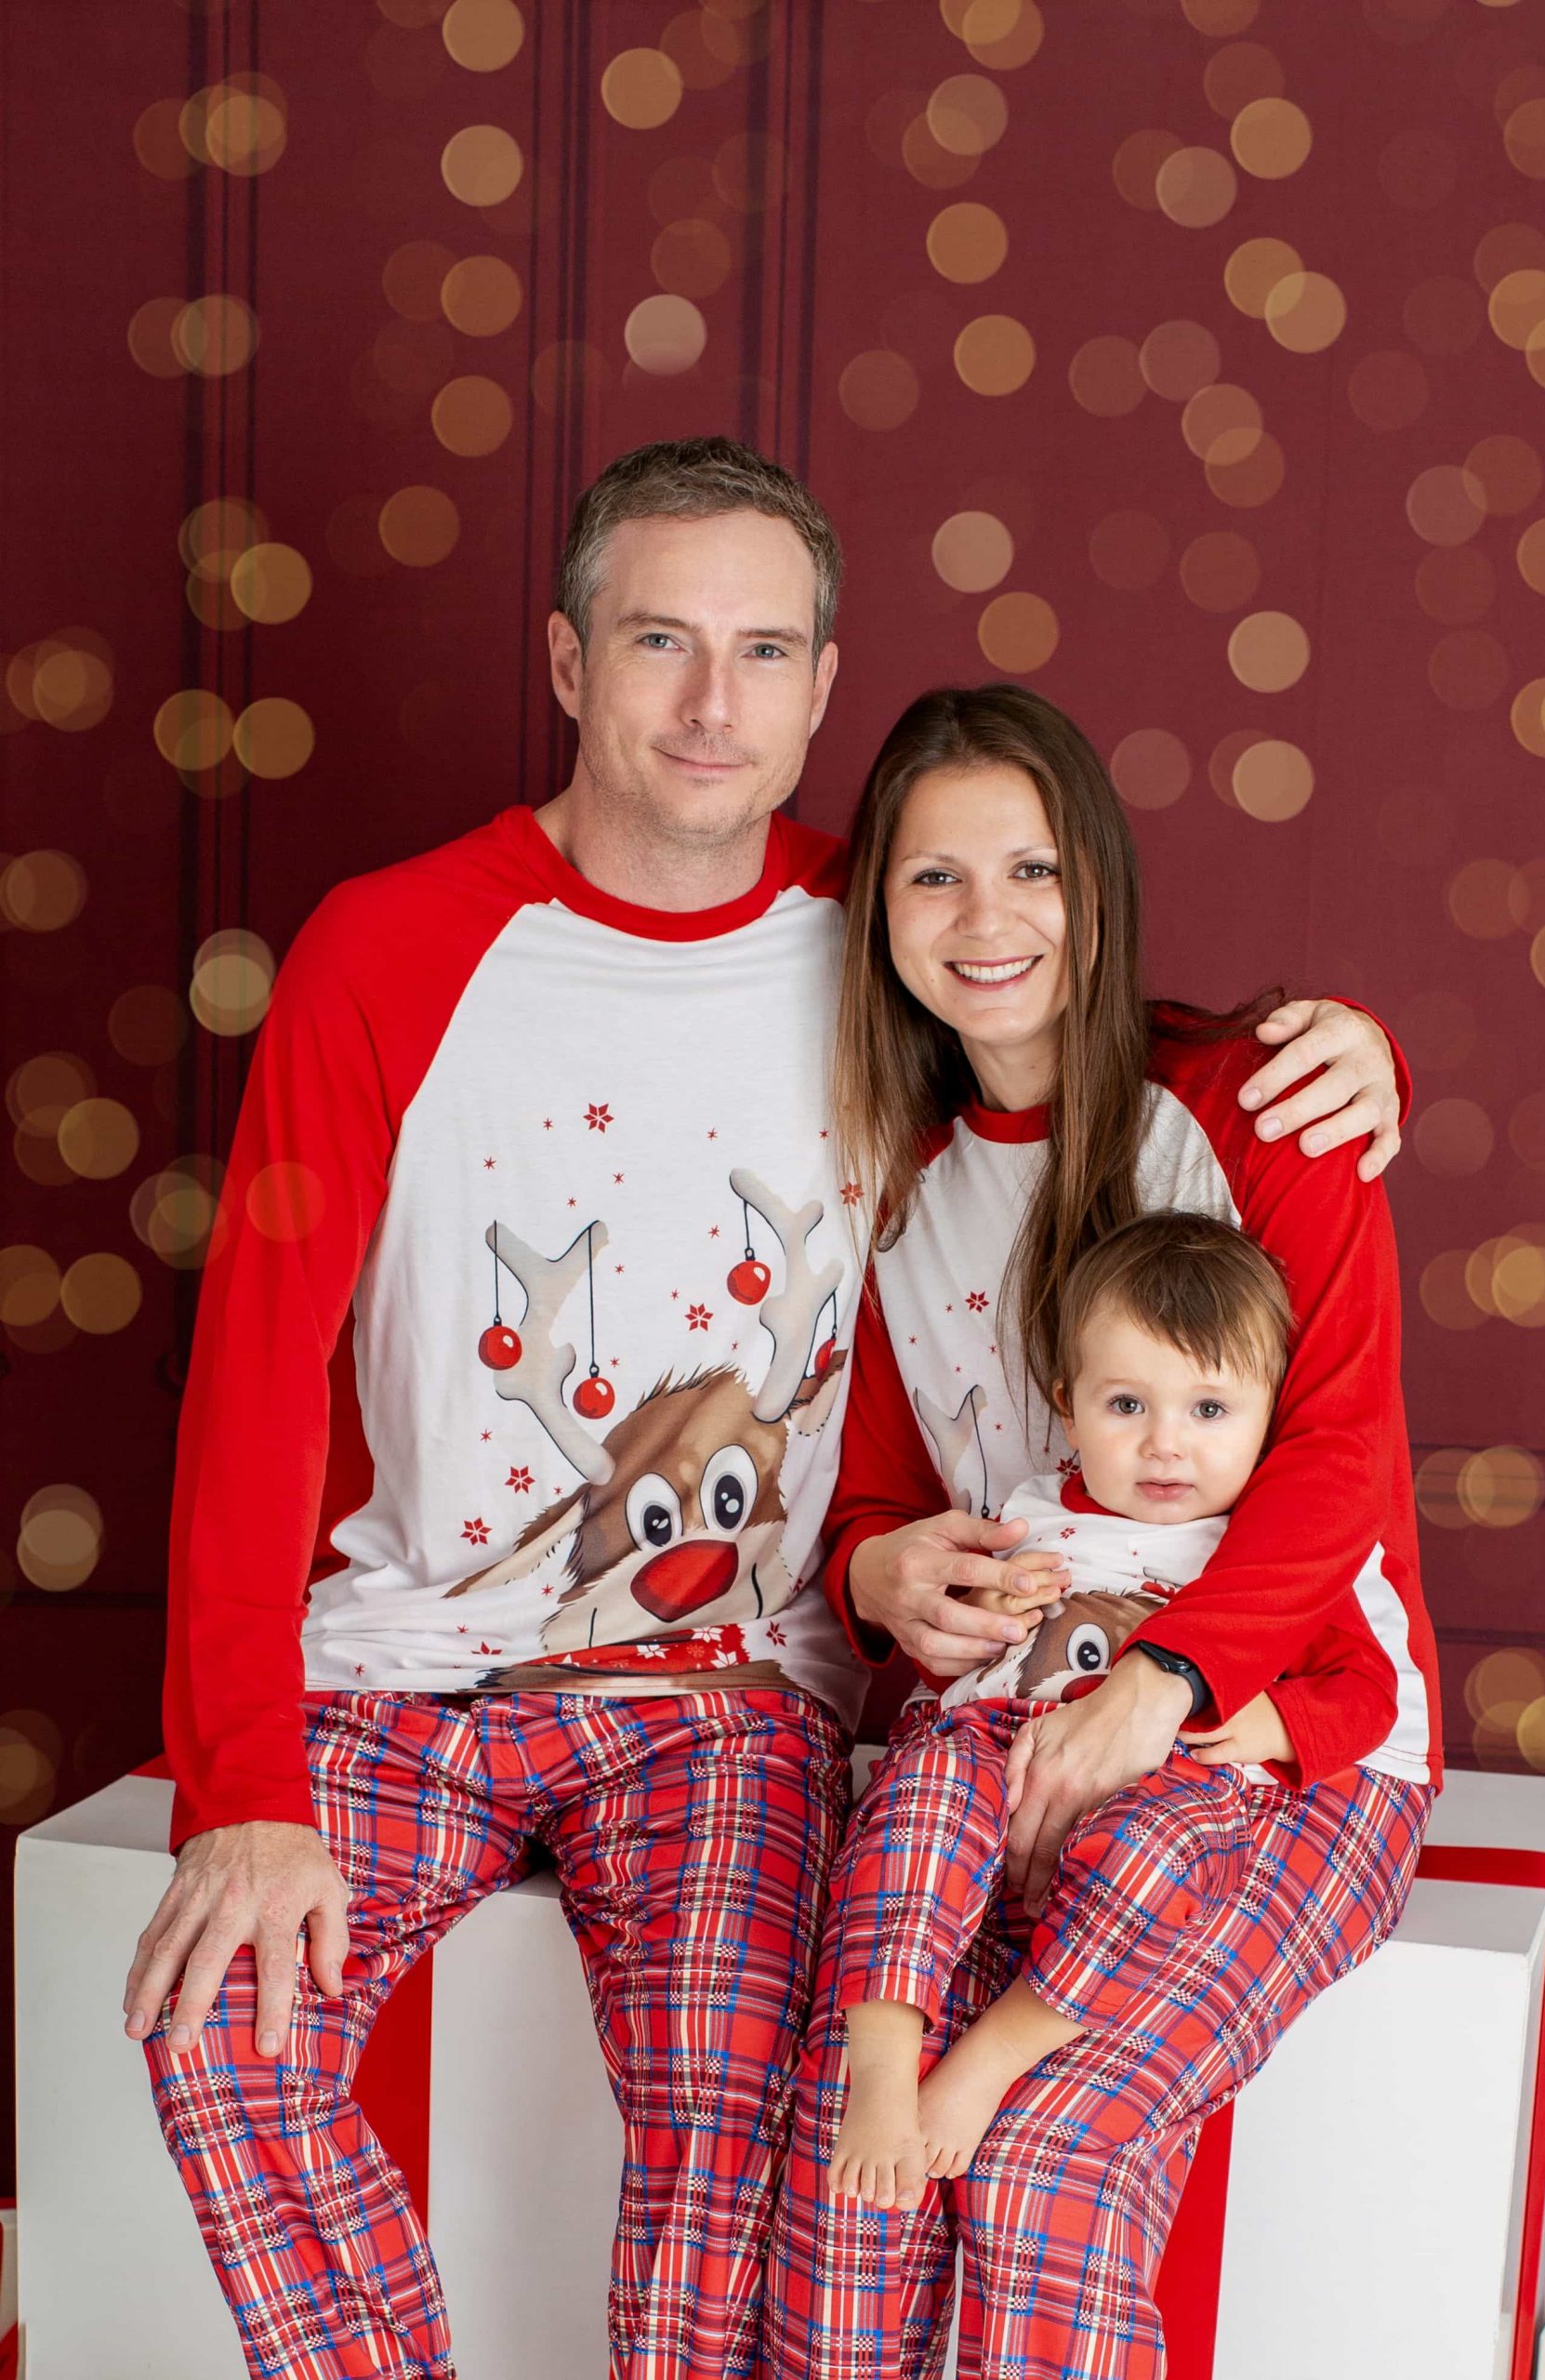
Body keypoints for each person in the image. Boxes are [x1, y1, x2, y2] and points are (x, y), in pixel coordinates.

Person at [119, 439, 1406, 2380]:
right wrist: (238, 1785)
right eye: (659, 641)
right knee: (223, 2027)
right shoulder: (392, 948)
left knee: (745, 2156)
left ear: (823, 686)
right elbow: (252, 1386)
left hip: (721, 1693)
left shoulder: (888, 938)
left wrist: (1332, 1039)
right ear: (565, 662)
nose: (712, 705)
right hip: (397, 1668)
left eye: (763, 650)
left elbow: (1079, 1016)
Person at [764, 683, 1441, 2380]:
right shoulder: (888, 1181)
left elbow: (1338, 1455)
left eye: (1033, 870)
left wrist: (1170, 1691)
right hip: (1012, 1756)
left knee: (1042, 2159)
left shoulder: (1255, 1109)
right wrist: (877, 1572)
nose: (986, 922)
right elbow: (864, 1503)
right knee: (850, 2174)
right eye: (931, 880)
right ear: (877, 918)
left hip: (1281, 1764)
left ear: (1098, 888)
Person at [827, 1210, 1402, 2211]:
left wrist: (1267, 1726)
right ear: (1069, 1405)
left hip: (1164, 1792)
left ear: (1272, 1413)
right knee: (913, 1796)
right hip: (1003, 1759)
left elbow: (1366, 1693)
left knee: (1152, 1848)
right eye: (1127, 1403)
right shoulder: (1034, 1512)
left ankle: (998, 2051)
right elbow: (958, 1639)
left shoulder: (1266, 1546)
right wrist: (994, 1606)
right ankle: (880, 2051)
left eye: (1211, 1410)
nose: (1165, 1444)